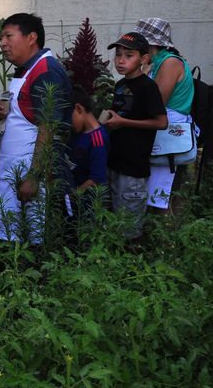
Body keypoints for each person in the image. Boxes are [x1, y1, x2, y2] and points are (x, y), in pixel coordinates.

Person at [0, 13, 73, 245]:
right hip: (15, 173)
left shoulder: (46, 71)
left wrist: (34, 177)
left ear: (31, 38)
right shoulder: (25, 69)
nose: (2, 43)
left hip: (37, 176)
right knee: (17, 239)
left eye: (8, 36)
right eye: (1, 37)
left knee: (38, 241)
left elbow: (49, 127)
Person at [102, 32, 167, 240]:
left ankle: (133, 255)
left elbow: (162, 122)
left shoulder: (148, 87)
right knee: (111, 219)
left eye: (128, 56)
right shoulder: (120, 85)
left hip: (134, 165)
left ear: (143, 59)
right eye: (118, 55)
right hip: (114, 160)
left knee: (128, 226)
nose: (121, 60)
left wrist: (123, 123)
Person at [132, 18, 195, 212]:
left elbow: (155, 103)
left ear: (150, 44)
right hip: (161, 133)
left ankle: (165, 226)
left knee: (163, 196)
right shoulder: (157, 63)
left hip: (169, 135)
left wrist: (141, 73)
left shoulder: (170, 63)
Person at [69, 85, 110, 224]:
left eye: (68, 117)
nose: (67, 123)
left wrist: (72, 195)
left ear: (78, 109)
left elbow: (96, 178)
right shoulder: (76, 133)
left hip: (86, 204)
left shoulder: (97, 139)